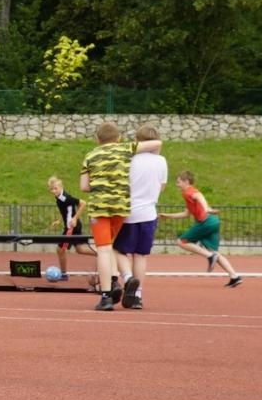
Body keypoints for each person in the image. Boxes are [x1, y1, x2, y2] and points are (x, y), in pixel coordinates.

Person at [79, 122, 161, 312]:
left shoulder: (90, 155)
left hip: (100, 208)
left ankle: (107, 296)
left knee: (104, 250)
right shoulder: (126, 148)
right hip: (121, 208)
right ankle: (119, 279)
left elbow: (84, 186)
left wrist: (100, 183)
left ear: (97, 139)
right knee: (114, 247)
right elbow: (156, 143)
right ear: (118, 138)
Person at [114, 124, 167, 310]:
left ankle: (128, 278)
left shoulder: (130, 159)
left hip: (129, 212)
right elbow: (162, 187)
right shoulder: (162, 161)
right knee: (141, 255)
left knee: (118, 250)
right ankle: (137, 295)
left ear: (137, 140)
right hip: (149, 213)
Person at [160, 171, 242, 287]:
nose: (177, 184)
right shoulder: (187, 194)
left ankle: (210, 256)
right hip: (213, 221)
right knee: (215, 253)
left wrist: (206, 208)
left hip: (206, 222)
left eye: (178, 182)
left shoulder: (189, 191)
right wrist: (168, 216)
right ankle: (234, 277)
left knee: (182, 242)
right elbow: (186, 213)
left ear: (186, 182)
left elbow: (199, 196)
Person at [46, 175, 95, 280]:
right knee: (80, 250)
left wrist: (75, 218)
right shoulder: (59, 197)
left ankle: (63, 274)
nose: (54, 191)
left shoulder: (66, 197)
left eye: (55, 188)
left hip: (71, 227)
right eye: (51, 189)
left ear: (61, 187)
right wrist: (59, 220)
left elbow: (83, 203)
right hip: (71, 226)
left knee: (60, 250)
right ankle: (101, 255)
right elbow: (65, 209)